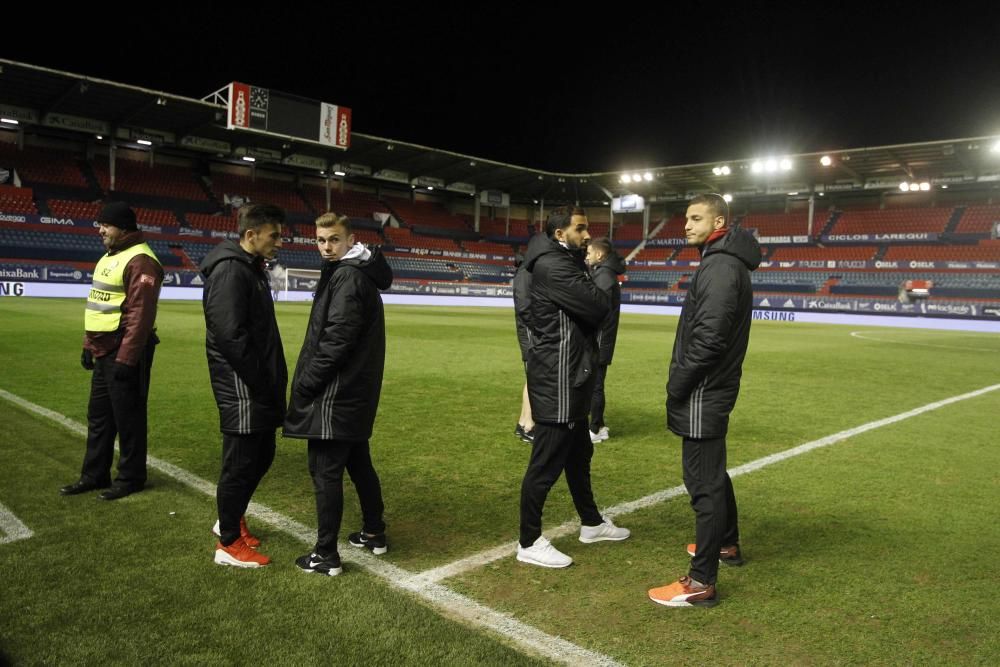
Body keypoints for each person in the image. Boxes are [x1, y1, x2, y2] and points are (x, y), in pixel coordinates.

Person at [648, 194, 761, 607]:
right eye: (686, 218)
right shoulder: (724, 261)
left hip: (703, 390)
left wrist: (678, 381)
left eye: (696, 218)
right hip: (711, 387)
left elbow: (710, 338)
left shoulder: (719, 266)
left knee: (702, 483)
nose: (686, 225)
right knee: (713, 475)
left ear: (718, 221)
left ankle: (700, 582)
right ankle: (725, 544)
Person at [516, 207, 630, 569]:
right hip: (559, 378)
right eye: (580, 229)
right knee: (545, 465)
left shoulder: (563, 261)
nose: (587, 235)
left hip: (571, 374)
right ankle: (529, 540)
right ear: (560, 233)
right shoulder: (554, 265)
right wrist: (602, 274)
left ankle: (592, 524)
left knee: (579, 457)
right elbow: (598, 307)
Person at [284, 213, 393, 577]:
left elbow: (337, 340)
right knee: (359, 463)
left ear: (350, 241)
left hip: (335, 394)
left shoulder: (347, 277)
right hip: (354, 394)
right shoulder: (352, 273)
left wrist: (307, 383)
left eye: (333, 239)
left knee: (325, 471)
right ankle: (374, 532)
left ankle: (326, 554)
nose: (326, 246)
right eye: (320, 239)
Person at [201, 203, 288, 568]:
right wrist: (258, 380)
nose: (280, 242)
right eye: (274, 235)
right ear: (251, 236)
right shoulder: (230, 271)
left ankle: (231, 518)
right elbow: (229, 334)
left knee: (262, 453)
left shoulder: (249, 269)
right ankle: (228, 543)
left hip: (254, 383)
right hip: (242, 385)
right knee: (240, 462)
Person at [60, 202, 162, 501]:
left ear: (123, 228)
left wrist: (127, 358)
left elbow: (140, 315)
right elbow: (99, 303)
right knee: (100, 416)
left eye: (105, 225)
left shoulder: (141, 260)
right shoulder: (111, 255)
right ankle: (94, 475)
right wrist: (88, 344)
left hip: (125, 351)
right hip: (104, 349)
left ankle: (131, 478)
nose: (100, 230)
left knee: (128, 418)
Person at [585, 237, 626, 444]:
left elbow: (596, 310)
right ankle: (599, 425)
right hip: (602, 339)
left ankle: (595, 429)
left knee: (595, 385)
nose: (587, 255)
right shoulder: (604, 274)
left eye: (590, 252)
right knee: (595, 384)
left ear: (600, 255)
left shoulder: (604, 276)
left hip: (600, 340)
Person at [512, 250, 535, 444]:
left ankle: (523, 423)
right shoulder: (526, 273)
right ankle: (529, 425)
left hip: (530, 332)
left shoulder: (525, 272)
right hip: (531, 334)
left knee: (532, 380)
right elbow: (524, 307)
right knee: (535, 380)